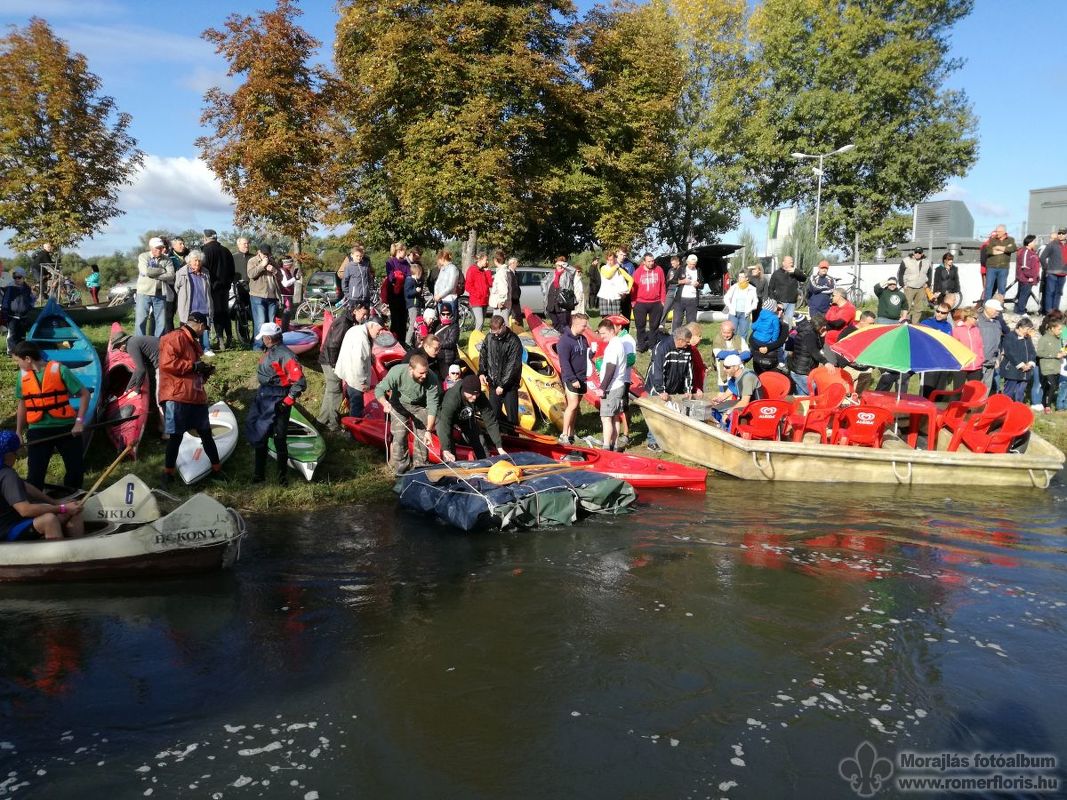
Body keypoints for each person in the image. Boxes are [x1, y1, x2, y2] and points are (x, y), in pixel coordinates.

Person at [12, 341, 90, 490]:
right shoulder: (22, 377)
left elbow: (84, 394)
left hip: (66, 428)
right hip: (38, 430)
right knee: (35, 474)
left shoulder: (60, 370)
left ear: (28, 359)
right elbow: (23, 404)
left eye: (18, 360)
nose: (18, 364)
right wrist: (18, 431)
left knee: (76, 470)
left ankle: (72, 497)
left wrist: (79, 421)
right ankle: (37, 504)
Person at [158, 312, 221, 487]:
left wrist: (204, 371)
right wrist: (193, 366)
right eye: (204, 329)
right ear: (200, 325)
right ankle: (167, 474)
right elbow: (166, 364)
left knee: (206, 433)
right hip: (177, 395)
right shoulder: (174, 337)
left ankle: (217, 469)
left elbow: (191, 372)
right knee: (176, 436)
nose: (203, 332)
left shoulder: (191, 341)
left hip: (194, 395)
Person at [245, 322, 306, 486]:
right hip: (264, 395)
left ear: (267, 338)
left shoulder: (285, 355)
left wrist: (287, 402)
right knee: (260, 434)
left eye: (263, 338)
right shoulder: (270, 351)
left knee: (279, 438)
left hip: (278, 398)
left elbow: (299, 381)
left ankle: (282, 477)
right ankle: (259, 475)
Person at [0, 430, 84, 541]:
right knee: (49, 520)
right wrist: (62, 509)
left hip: (10, 524)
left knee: (73, 510)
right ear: (9, 455)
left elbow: (26, 487)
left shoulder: (5, 472)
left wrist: (55, 503)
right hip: (7, 530)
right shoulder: (7, 475)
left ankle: (77, 549)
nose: (17, 456)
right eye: (16, 453)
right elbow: (25, 510)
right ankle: (64, 557)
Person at [375, 354, 441, 475]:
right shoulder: (397, 372)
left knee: (423, 437)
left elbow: (432, 406)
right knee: (399, 435)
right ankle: (399, 467)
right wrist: (385, 403)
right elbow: (379, 389)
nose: (424, 376)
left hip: (420, 406)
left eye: (426, 372)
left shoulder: (431, 378)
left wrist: (429, 430)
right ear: (411, 369)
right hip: (398, 403)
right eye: (421, 373)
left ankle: (420, 468)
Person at [437, 374, 508, 462]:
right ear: (464, 391)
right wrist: (445, 449)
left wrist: (499, 447)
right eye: (471, 394)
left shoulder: (480, 397)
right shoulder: (452, 398)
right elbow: (445, 423)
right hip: (444, 416)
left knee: (480, 440)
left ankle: (486, 463)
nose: (474, 397)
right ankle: (451, 466)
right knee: (448, 447)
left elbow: (491, 421)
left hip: (465, 416)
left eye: (477, 393)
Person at [334, 314, 384, 420]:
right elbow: (358, 363)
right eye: (379, 330)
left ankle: (345, 413)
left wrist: (370, 356)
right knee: (357, 404)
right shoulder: (362, 340)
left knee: (351, 396)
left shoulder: (357, 329)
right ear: (371, 326)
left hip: (346, 371)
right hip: (355, 376)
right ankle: (354, 430)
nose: (380, 333)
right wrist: (363, 383)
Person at [317, 305, 358, 433]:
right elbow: (333, 344)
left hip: (328, 359)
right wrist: (334, 364)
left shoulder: (346, 319)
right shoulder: (345, 323)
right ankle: (333, 425)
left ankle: (321, 421)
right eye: (364, 313)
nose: (365, 316)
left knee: (331, 391)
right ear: (356, 309)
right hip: (330, 361)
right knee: (336, 392)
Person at [478, 316, 523, 425]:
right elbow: (483, 355)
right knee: (494, 415)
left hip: (509, 386)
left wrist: (503, 385)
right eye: (493, 332)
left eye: (497, 332)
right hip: (493, 383)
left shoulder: (513, 341)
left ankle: (514, 437)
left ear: (504, 326)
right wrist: (482, 372)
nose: (495, 335)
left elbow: (513, 366)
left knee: (512, 418)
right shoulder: (489, 337)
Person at [595, 319, 629, 451]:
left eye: (603, 333)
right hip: (619, 385)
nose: (601, 336)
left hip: (612, 387)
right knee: (615, 416)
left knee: (606, 417)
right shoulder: (618, 343)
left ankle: (606, 447)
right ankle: (614, 445)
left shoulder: (613, 346)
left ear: (611, 331)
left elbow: (611, 367)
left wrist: (602, 388)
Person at [174, 249, 214, 357]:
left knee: (204, 327)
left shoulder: (205, 272)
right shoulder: (182, 272)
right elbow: (176, 287)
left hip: (203, 304)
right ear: (189, 261)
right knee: (188, 328)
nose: (197, 263)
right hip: (189, 305)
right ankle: (189, 349)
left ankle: (206, 348)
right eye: (195, 260)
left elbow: (208, 288)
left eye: (199, 261)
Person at [557, 313, 589, 446]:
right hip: (572, 378)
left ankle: (571, 433)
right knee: (572, 405)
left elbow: (585, 354)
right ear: (575, 325)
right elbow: (564, 363)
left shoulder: (583, 338)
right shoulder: (564, 341)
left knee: (576, 407)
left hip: (582, 377)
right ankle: (563, 434)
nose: (586, 328)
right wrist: (572, 378)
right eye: (584, 325)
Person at [201, 229, 235, 350]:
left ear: (205, 238)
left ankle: (220, 339)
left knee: (216, 313)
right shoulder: (226, 250)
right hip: (225, 287)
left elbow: (204, 269)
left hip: (212, 287)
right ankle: (230, 337)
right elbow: (232, 270)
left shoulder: (206, 251)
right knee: (225, 312)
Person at [135, 237, 175, 337]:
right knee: (141, 319)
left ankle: (158, 344)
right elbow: (146, 271)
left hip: (160, 293)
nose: (160, 250)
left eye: (161, 248)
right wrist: (162, 270)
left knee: (161, 321)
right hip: (144, 292)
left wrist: (155, 273)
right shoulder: (143, 257)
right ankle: (140, 343)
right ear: (151, 248)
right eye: (157, 248)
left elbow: (171, 275)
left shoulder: (167, 259)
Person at [711, 354, 762, 429]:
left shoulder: (748, 377)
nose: (724, 369)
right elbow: (732, 388)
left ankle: (730, 430)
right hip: (745, 402)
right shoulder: (736, 375)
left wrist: (728, 412)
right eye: (724, 366)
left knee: (729, 413)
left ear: (736, 367)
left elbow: (745, 402)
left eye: (727, 367)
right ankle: (725, 426)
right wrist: (720, 399)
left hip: (754, 406)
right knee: (714, 409)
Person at [630, 253, 666, 353]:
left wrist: (663, 301)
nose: (651, 263)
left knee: (654, 327)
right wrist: (633, 302)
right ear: (644, 262)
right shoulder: (638, 272)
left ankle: (652, 346)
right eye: (649, 261)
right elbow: (633, 287)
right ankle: (641, 346)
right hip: (640, 303)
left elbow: (663, 285)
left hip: (656, 303)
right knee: (640, 326)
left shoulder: (659, 270)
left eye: (652, 261)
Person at [247, 244, 280, 351]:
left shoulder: (273, 261)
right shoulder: (252, 261)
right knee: (260, 322)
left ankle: (271, 346)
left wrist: (275, 271)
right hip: (258, 295)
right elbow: (251, 274)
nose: (266, 256)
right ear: (258, 252)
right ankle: (258, 346)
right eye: (264, 254)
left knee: (271, 323)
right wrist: (262, 265)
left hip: (272, 296)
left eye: (268, 254)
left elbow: (281, 277)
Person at [111, 331, 160, 400]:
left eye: (118, 347)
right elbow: (138, 368)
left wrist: (136, 390)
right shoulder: (133, 341)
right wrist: (128, 388)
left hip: (164, 362)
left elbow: (142, 369)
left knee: (161, 395)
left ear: (122, 343)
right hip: (169, 356)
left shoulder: (131, 346)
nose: (120, 350)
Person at [788, 314, 828, 396]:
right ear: (820, 326)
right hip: (801, 372)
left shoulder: (811, 331)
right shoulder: (809, 335)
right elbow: (814, 352)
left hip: (799, 370)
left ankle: (802, 408)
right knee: (814, 392)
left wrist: (822, 336)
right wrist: (826, 362)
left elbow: (817, 347)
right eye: (824, 326)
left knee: (802, 396)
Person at [999, 318, 1037, 402]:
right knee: (1009, 391)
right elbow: (1010, 353)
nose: (1028, 331)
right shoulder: (1009, 336)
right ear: (1020, 327)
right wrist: (1021, 365)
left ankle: (1018, 409)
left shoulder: (1027, 337)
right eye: (1027, 329)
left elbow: (1032, 351)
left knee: (1020, 392)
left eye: (1029, 329)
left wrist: (1030, 363)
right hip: (1012, 370)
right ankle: (1004, 408)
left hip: (1026, 370)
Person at [749, 299, 789, 374]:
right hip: (758, 358)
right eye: (778, 309)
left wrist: (767, 348)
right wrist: (760, 347)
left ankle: (781, 363)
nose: (779, 311)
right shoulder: (771, 318)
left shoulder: (784, 325)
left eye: (782, 310)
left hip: (772, 360)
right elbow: (751, 338)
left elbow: (780, 342)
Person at [1036, 315, 1065, 414]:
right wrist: (1055, 355)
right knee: (1052, 386)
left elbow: (1059, 351)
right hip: (1047, 367)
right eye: (1059, 329)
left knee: (1053, 387)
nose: (1061, 331)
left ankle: (1045, 403)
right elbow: (1039, 353)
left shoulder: (1058, 339)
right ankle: (1047, 406)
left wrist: (1063, 353)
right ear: (1052, 328)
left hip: (1056, 367)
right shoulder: (1044, 338)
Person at [711, 320, 750, 391]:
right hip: (724, 376)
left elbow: (747, 354)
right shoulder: (717, 339)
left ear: (733, 331)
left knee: (737, 396)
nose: (726, 335)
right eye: (724, 332)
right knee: (724, 398)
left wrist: (733, 357)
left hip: (738, 374)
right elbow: (720, 354)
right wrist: (736, 352)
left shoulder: (739, 339)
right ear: (721, 330)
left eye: (728, 333)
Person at [976, 299, 1006, 391]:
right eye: (996, 310)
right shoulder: (978, 321)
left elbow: (998, 341)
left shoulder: (997, 322)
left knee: (986, 387)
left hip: (992, 361)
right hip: (979, 361)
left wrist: (998, 358)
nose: (998, 312)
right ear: (988, 309)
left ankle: (983, 404)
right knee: (977, 386)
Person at [384, 242, 411, 341]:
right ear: (399, 251)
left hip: (403, 295)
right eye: (405, 251)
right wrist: (399, 277)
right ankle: (393, 342)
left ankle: (402, 342)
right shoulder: (390, 262)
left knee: (403, 320)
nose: (406, 253)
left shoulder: (405, 263)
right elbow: (391, 278)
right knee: (395, 320)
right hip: (394, 295)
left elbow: (409, 276)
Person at [951, 307, 984, 389]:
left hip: (976, 366)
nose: (977, 320)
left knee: (974, 392)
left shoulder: (976, 330)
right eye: (975, 318)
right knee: (957, 391)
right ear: (968, 317)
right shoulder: (957, 330)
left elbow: (980, 346)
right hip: (962, 366)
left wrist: (980, 359)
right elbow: (954, 348)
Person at [3, 268, 34, 355]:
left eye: (19, 277)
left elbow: (31, 299)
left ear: (23, 277)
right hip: (12, 316)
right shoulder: (10, 287)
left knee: (21, 335)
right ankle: (11, 352)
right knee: (12, 335)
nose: (16, 279)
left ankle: (20, 352)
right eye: (15, 277)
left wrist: (30, 307)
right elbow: (6, 301)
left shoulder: (27, 288)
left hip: (23, 316)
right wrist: (4, 312)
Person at [768, 256, 805, 326]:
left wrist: (796, 272)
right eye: (790, 261)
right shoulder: (776, 273)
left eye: (792, 261)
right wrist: (776, 302)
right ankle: (776, 335)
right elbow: (770, 289)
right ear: (783, 263)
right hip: (780, 302)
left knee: (788, 323)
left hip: (792, 302)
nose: (792, 262)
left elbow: (803, 278)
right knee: (777, 321)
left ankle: (787, 336)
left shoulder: (795, 272)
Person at [896, 247, 930, 324]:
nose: (917, 254)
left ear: (922, 254)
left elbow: (929, 273)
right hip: (909, 287)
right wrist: (902, 284)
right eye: (916, 252)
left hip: (921, 287)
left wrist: (928, 284)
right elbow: (900, 273)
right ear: (914, 252)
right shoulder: (906, 260)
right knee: (906, 307)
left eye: (919, 253)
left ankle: (915, 324)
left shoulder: (927, 262)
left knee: (919, 308)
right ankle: (905, 323)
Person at [984, 225, 1017, 301]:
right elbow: (988, 250)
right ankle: (986, 305)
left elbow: (1013, 248)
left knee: (1001, 288)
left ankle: (999, 307)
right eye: (996, 231)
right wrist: (1005, 250)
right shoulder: (992, 240)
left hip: (1003, 268)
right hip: (991, 267)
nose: (997, 233)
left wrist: (998, 248)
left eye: (998, 231)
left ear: (1004, 232)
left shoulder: (1010, 240)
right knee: (988, 287)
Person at [724, 270, 758, 341]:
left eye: (742, 277)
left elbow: (755, 301)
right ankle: (732, 349)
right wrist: (730, 307)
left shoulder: (752, 289)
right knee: (732, 332)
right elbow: (726, 298)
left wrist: (750, 309)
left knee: (743, 334)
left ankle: (742, 349)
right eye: (739, 277)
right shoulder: (734, 287)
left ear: (747, 278)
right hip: (733, 314)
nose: (740, 278)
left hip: (745, 314)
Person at [545, 256, 576, 331]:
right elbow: (545, 284)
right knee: (555, 324)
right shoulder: (552, 274)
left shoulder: (568, 274)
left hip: (563, 305)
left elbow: (573, 270)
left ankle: (566, 340)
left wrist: (563, 264)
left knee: (564, 325)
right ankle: (558, 340)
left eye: (560, 265)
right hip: (552, 304)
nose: (558, 267)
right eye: (557, 265)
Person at [597, 252, 632, 318]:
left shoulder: (619, 269)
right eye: (608, 260)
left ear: (615, 259)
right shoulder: (603, 268)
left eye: (611, 259)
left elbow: (630, 279)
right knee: (605, 320)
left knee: (615, 320)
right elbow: (608, 275)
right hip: (604, 297)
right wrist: (616, 266)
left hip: (616, 297)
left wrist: (626, 292)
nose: (609, 261)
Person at [1040, 228, 1067, 314]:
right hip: (1052, 274)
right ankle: (1048, 312)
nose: (1061, 235)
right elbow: (1042, 257)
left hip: (1063, 274)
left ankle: (1055, 312)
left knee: (1058, 293)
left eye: (1063, 233)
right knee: (1050, 293)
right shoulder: (1052, 244)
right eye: (1059, 233)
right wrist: (1046, 268)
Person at [1014, 235, 1042, 315]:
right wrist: (1029, 276)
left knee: (1024, 294)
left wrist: (1036, 276)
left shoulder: (1032, 252)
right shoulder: (1025, 251)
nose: (1035, 243)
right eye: (1034, 241)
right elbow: (1025, 266)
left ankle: (1018, 310)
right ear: (1029, 243)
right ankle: (1021, 311)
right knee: (1024, 295)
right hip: (1026, 278)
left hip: (1030, 278)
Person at [465, 251, 491, 332]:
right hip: (476, 300)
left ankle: (479, 341)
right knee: (479, 322)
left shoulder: (484, 271)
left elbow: (490, 283)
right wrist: (478, 294)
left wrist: (487, 271)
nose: (487, 262)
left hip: (484, 300)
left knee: (482, 323)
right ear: (480, 259)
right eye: (486, 260)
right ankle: (475, 341)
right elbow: (468, 286)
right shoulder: (472, 270)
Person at [672, 254, 700, 330]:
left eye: (694, 264)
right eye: (690, 264)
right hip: (680, 299)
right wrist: (682, 281)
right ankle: (674, 339)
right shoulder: (681, 269)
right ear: (687, 262)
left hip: (693, 299)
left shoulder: (699, 270)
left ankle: (690, 340)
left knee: (691, 323)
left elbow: (702, 284)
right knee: (677, 321)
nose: (692, 266)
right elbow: (672, 281)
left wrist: (698, 284)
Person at [342, 244, 373, 310]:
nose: (359, 257)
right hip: (354, 298)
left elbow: (369, 279)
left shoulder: (365, 266)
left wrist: (370, 291)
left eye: (360, 256)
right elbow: (344, 282)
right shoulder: (349, 267)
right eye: (357, 256)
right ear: (352, 255)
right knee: (355, 318)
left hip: (366, 297)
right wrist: (348, 295)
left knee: (366, 317)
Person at [404, 261, 428, 347]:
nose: (421, 275)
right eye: (420, 273)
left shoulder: (415, 281)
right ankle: (407, 342)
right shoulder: (409, 281)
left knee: (417, 324)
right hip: (412, 306)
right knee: (413, 324)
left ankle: (415, 341)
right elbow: (407, 293)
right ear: (416, 273)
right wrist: (416, 291)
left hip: (416, 305)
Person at [432, 249, 461, 319]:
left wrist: (440, 295)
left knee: (450, 320)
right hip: (440, 300)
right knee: (441, 320)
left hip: (450, 299)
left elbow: (451, 286)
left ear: (443, 258)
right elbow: (437, 282)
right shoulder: (442, 268)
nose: (438, 261)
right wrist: (436, 294)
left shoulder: (453, 269)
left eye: (439, 259)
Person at [434, 304, 460, 381]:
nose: (446, 316)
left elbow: (451, 342)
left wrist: (436, 344)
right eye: (443, 314)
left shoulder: (454, 326)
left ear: (451, 314)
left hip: (447, 358)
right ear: (440, 314)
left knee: (447, 380)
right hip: (436, 357)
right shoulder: (436, 325)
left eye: (448, 314)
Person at [487, 251, 511, 326]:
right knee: (500, 325)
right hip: (501, 303)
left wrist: (501, 301)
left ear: (495, 260)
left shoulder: (501, 273)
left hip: (500, 304)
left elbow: (503, 288)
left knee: (499, 325)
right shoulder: (503, 271)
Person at [277, 256, 300, 332]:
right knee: (286, 314)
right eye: (291, 263)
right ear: (286, 264)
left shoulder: (287, 270)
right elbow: (285, 284)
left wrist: (294, 276)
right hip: (284, 296)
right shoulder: (282, 271)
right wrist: (295, 278)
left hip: (288, 295)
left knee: (288, 314)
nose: (292, 265)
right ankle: (284, 331)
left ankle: (286, 329)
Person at [662, 255, 683, 323]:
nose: (672, 265)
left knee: (678, 309)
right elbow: (667, 280)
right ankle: (662, 324)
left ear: (678, 262)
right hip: (670, 290)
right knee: (666, 307)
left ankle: (677, 324)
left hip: (679, 290)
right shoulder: (670, 270)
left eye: (673, 263)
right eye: (671, 264)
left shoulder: (683, 270)